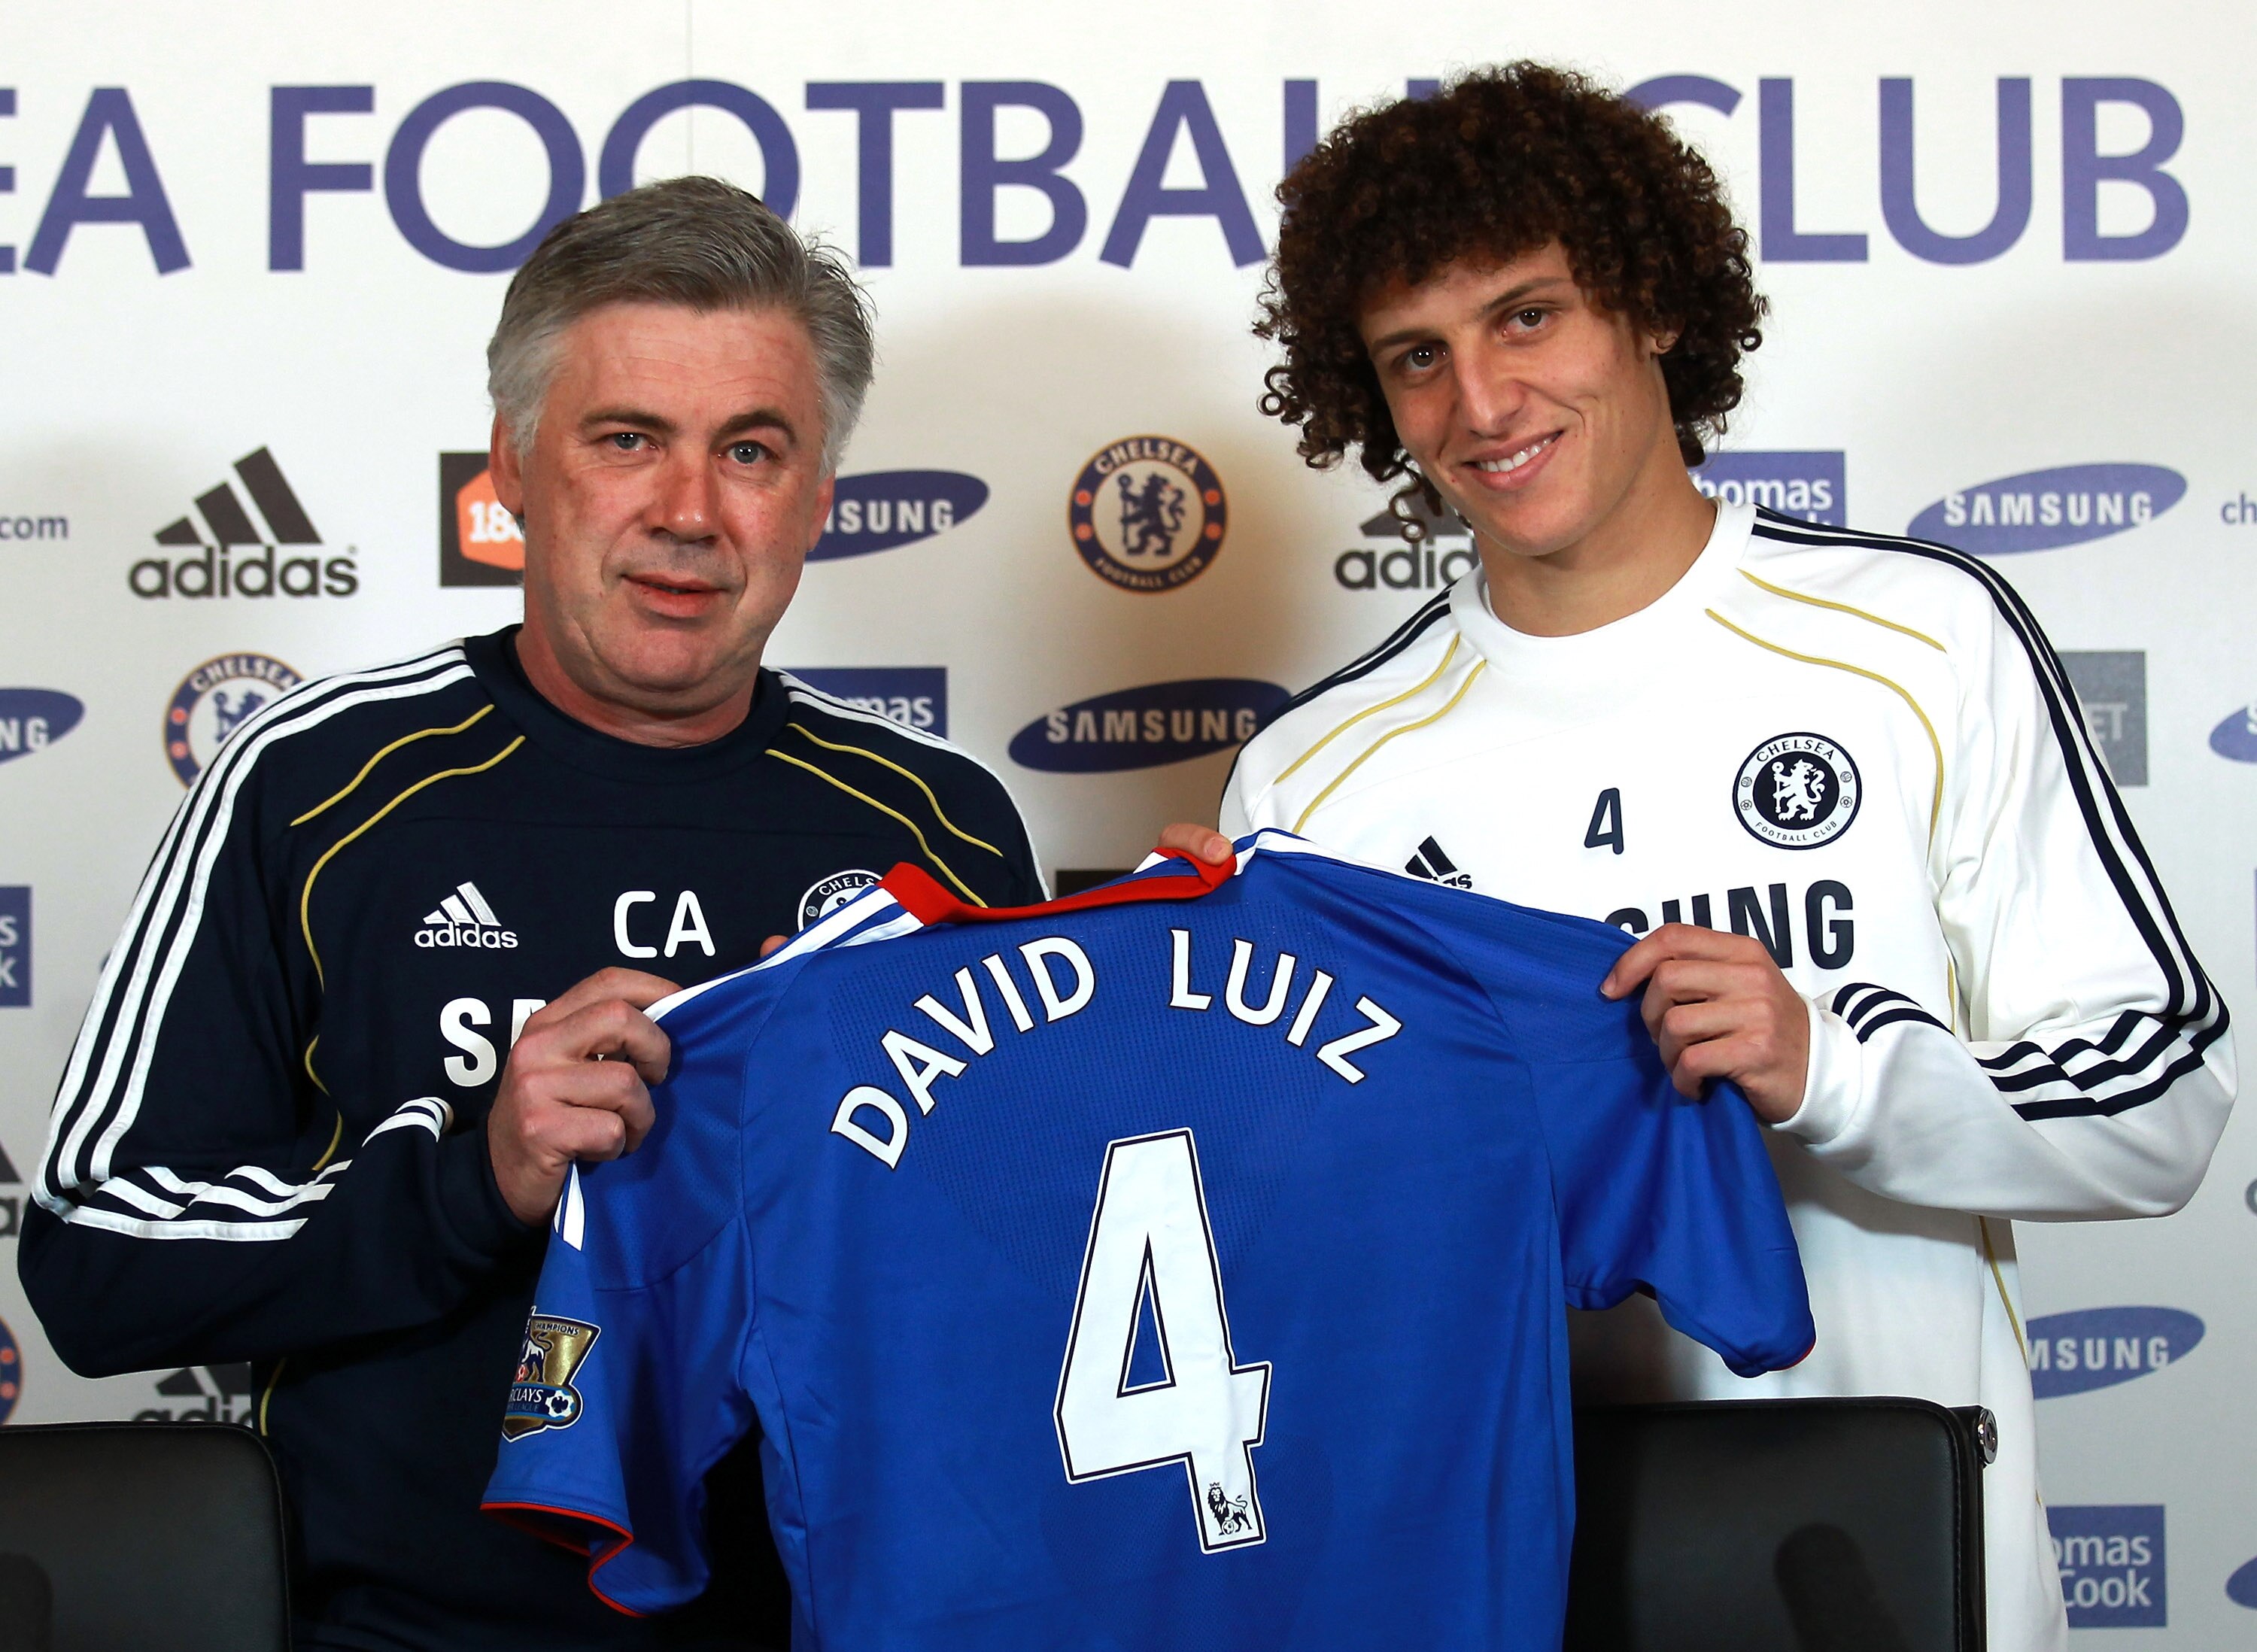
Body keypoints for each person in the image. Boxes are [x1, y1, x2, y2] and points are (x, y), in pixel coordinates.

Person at [1217, 64, 2234, 1652]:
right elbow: (1278, 1260)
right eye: (1420, 356)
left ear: (1654, 307)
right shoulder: (1312, 777)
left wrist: (1832, 1068)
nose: (1481, 404)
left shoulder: (1919, 641)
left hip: (1882, 1562)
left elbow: (2159, 1111)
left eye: (1529, 316)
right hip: (1495, 1575)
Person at [21, 177, 1055, 1650]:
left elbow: (1034, 1280)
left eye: (750, 451)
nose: (690, 513)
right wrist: (477, 1180)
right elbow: (91, 1259)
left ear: (819, 500)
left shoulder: (937, 824)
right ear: (513, 467)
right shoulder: (315, 786)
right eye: (627, 439)